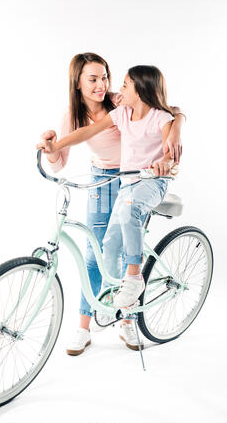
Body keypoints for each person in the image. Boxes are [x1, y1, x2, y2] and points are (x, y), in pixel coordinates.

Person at [38, 54, 185, 355]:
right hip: (105, 178)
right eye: (92, 79)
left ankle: (127, 318)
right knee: (96, 250)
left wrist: (176, 132)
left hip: (139, 179)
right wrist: (52, 147)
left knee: (126, 243)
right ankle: (84, 326)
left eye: (105, 77)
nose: (102, 85)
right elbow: (62, 159)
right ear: (77, 84)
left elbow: (168, 111)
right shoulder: (75, 116)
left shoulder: (120, 100)